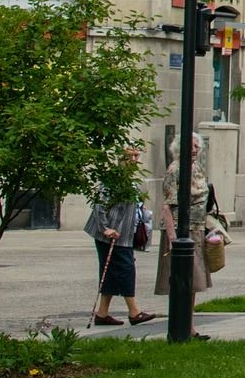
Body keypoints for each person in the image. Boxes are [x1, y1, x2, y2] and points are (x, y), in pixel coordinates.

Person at [85, 152, 155, 326]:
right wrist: (105, 228)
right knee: (126, 269)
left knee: (110, 272)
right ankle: (134, 312)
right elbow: (99, 205)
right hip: (111, 235)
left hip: (123, 235)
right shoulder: (112, 181)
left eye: (135, 157)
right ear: (120, 159)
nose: (133, 160)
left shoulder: (130, 182)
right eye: (128, 157)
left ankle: (102, 314)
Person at [154, 135, 213, 302]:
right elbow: (167, 206)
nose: (194, 150)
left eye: (196, 146)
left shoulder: (197, 167)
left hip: (197, 227)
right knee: (182, 276)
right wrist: (173, 239)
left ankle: (189, 321)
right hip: (180, 230)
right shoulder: (175, 169)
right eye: (190, 146)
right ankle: (181, 322)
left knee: (194, 280)